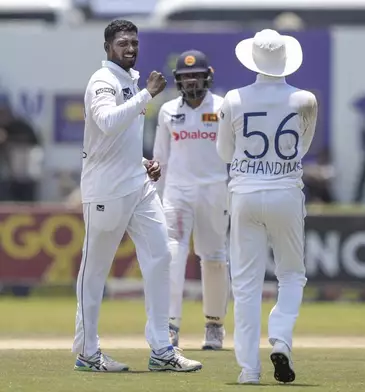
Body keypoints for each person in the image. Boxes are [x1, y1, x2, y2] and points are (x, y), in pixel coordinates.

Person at [73, 19, 202, 372]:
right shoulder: (103, 81)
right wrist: (147, 94)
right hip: (105, 190)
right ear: (108, 48)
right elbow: (107, 122)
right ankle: (87, 352)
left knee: (161, 256)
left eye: (133, 43)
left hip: (138, 184)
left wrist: (144, 161)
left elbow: (119, 140)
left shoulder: (130, 79)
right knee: (95, 271)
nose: (130, 49)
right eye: (122, 44)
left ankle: (162, 348)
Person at [216, 29, 318, 384]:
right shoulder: (305, 99)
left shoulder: (233, 98)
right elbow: (302, 148)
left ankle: (249, 370)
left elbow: (224, 154)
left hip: (244, 193)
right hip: (286, 192)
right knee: (291, 274)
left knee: (245, 284)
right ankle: (281, 338)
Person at [153, 50, 230, 350]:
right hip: (177, 191)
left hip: (214, 190)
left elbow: (235, 154)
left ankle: (214, 325)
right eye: (185, 77)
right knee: (172, 255)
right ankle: (170, 326)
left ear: (208, 74)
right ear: (178, 80)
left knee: (213, 258)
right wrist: (156, 199)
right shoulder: (168, 110)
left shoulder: (224, 108)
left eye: (196, 75)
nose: (191, 81)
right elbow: (161, 158)